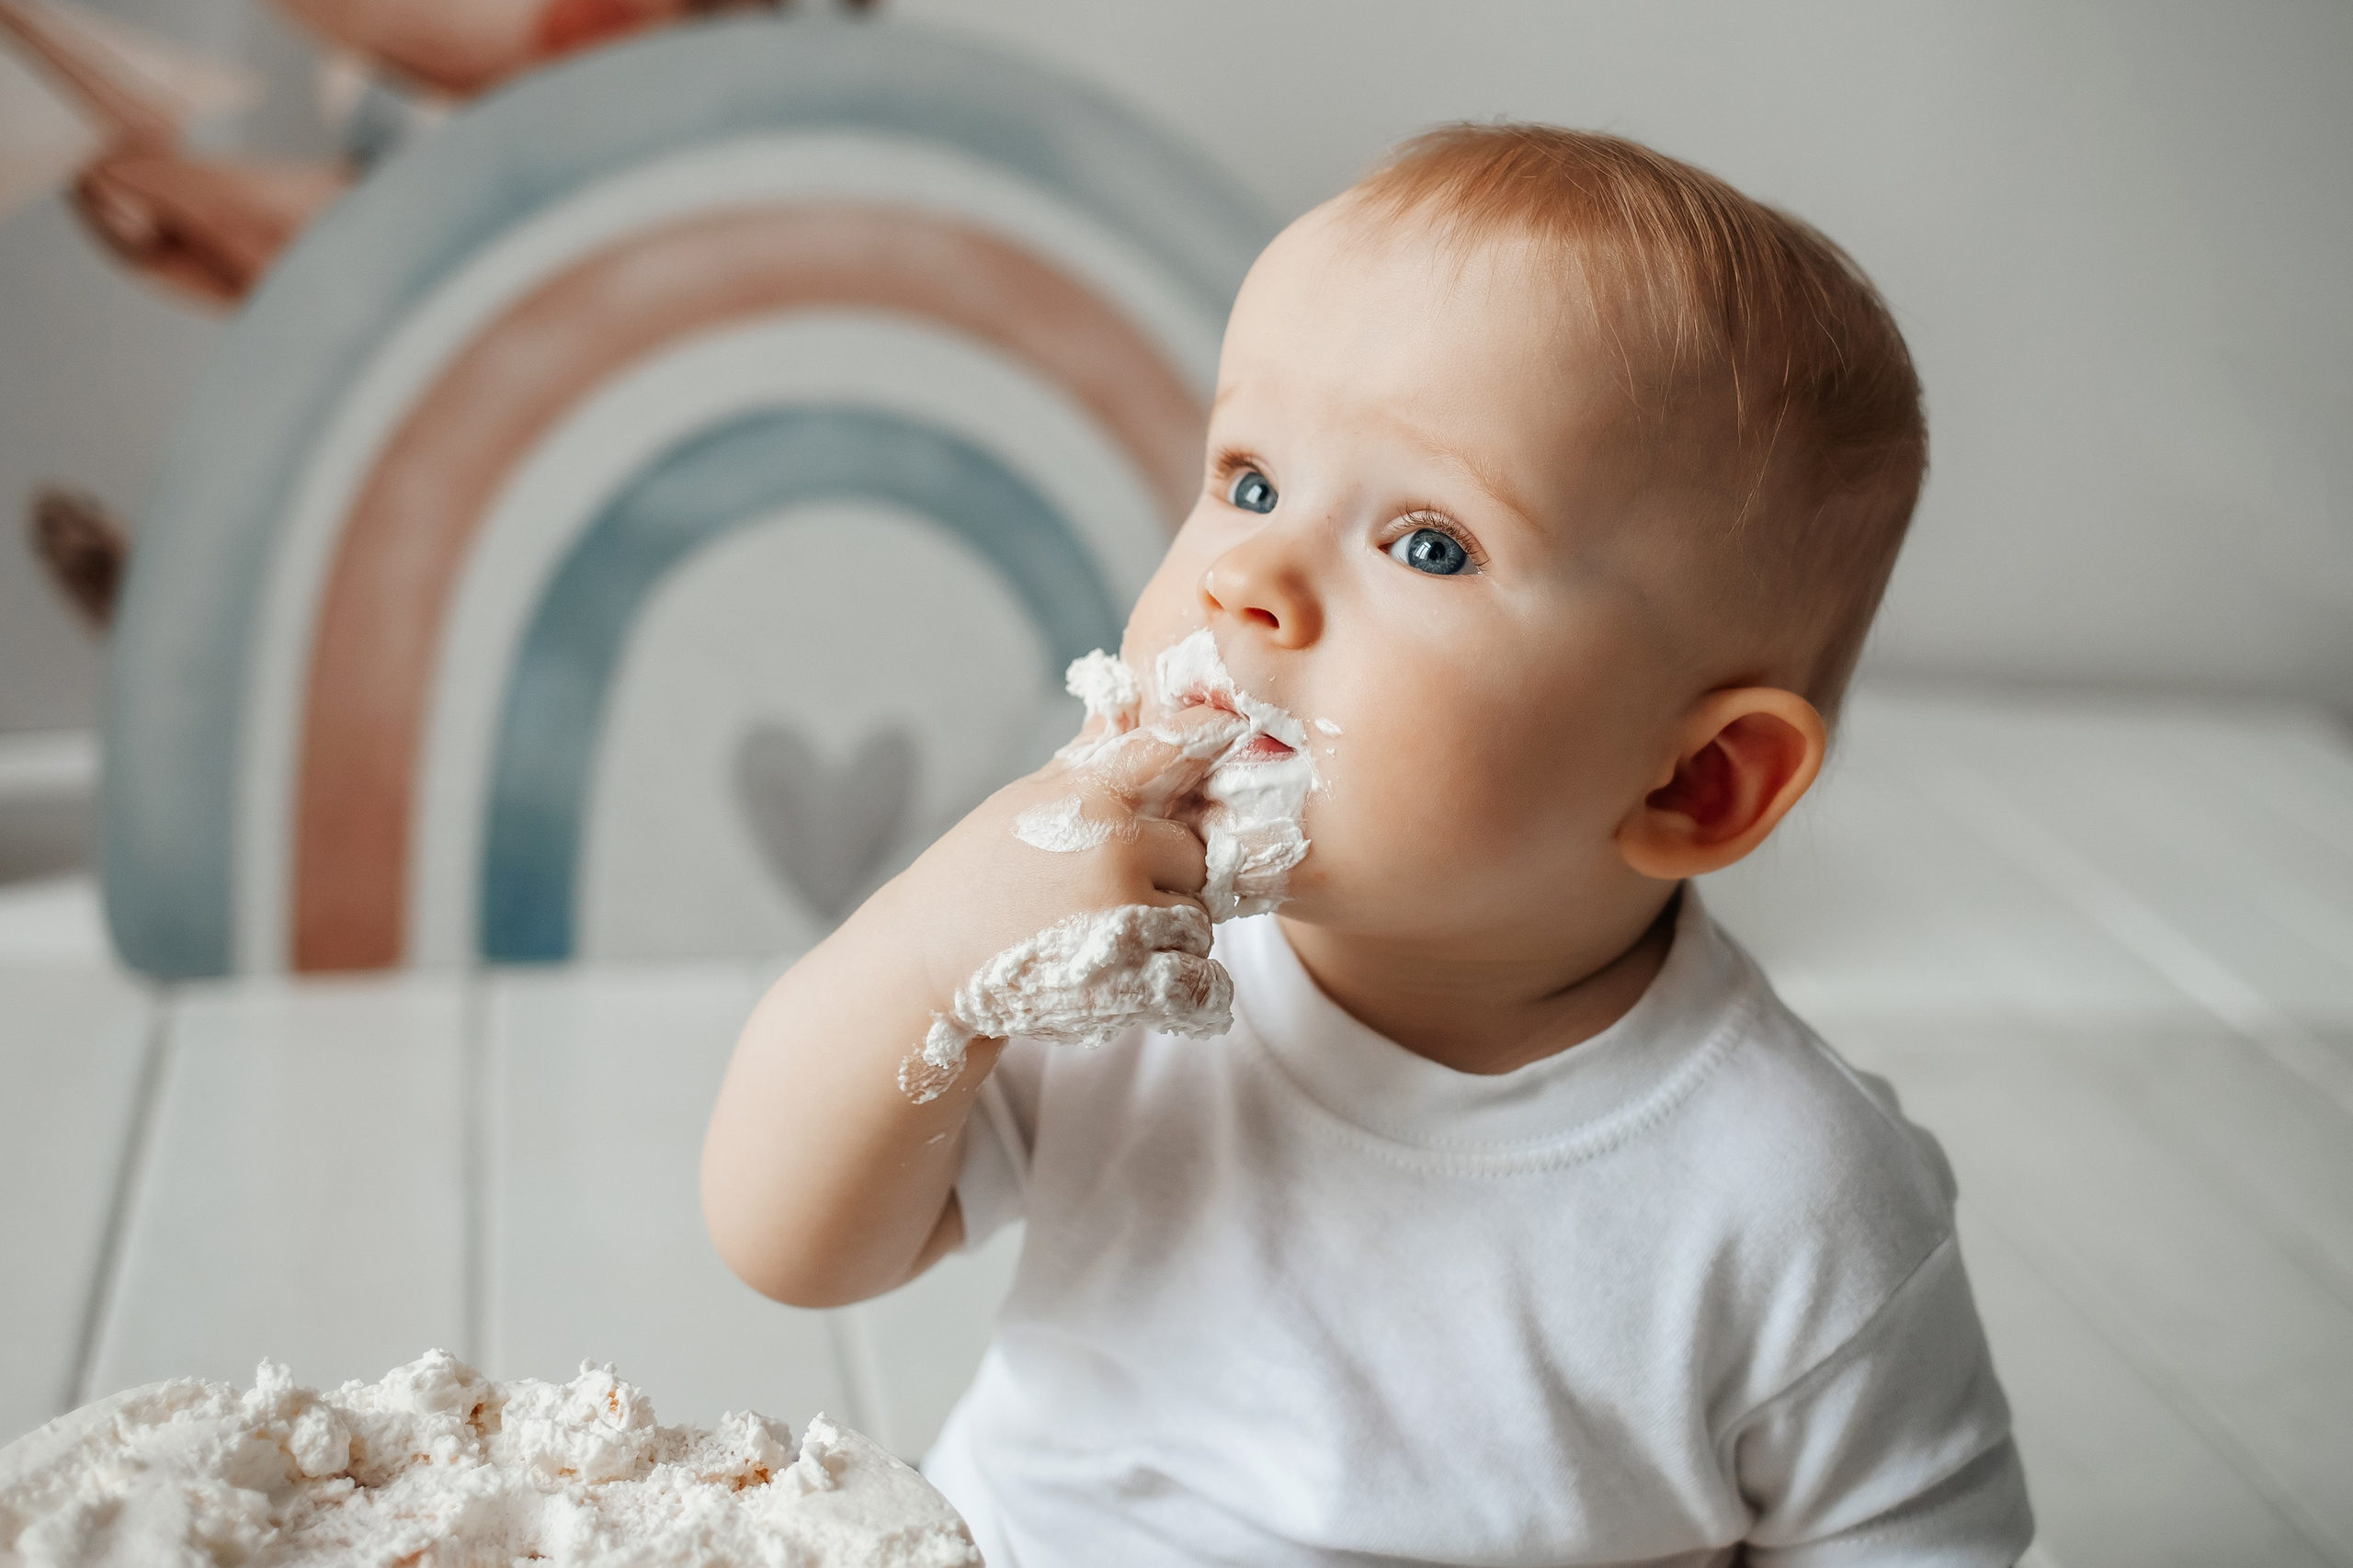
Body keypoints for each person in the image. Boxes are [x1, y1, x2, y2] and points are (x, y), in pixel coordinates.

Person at [702, 121, 2034, 1567]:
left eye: (1430, 543)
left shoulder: (1790, 1193)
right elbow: (794, 1246)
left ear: (1698, 782)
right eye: (1251, 479)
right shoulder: (1123, 967)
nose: (1247, 576)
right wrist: (934, 950)